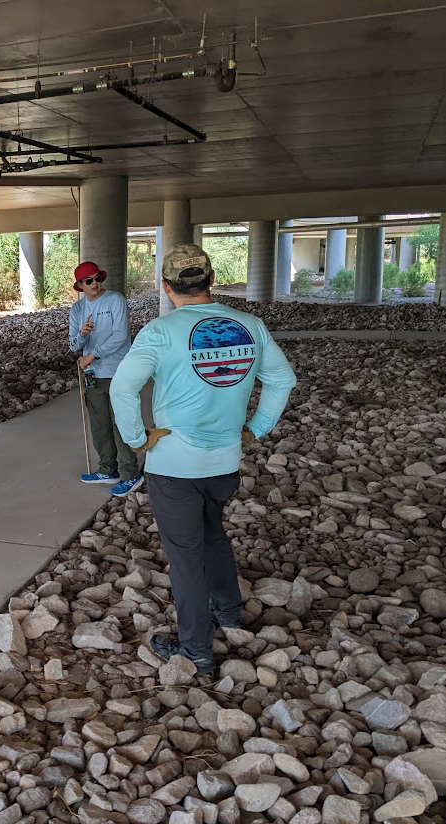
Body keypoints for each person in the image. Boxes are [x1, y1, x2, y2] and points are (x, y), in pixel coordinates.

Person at [110, 244, 297, 674]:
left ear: (165, 286)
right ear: (211, 281)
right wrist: (258, 427)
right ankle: (228, 611)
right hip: (225, 462)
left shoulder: (160, 332)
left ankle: (195, 649)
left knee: (185, 556)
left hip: (174, 467)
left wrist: (138, 438)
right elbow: (282, 380)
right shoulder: (249, 325)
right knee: (213, 534)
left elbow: (122, 390)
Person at [67, 260, 142, 497]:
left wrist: (92, 355)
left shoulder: (115, 300)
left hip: (118, 370)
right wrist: (82, 334)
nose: (95, 283)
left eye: (97, 278)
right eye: (88, 280)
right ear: (80, 285)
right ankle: (108, 469)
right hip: (93, 375)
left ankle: (130, 473)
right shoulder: (77, 311)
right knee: (99, 423)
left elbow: (121, 335)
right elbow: (72, 345)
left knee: (122, 422)